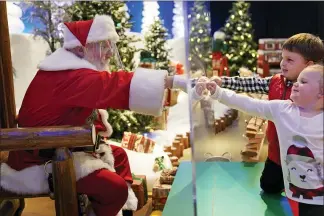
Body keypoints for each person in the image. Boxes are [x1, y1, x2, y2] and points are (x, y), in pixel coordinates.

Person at [0, 15, 187, 216]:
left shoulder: (69, 71)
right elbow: (114, 84)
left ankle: (112, 210)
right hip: (41, 160)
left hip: (60, 147)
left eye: (109, 46)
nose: (108, 52)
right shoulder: (71, 75)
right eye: (102, 46)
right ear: (80, 49)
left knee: (120, 156)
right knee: (114, 188)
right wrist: (170, 81)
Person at [210, 33, 324, 194]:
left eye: (290, 60)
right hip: (276, 154)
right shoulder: (276, 82)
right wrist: (222, 82)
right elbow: (250, 85)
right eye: (283, 58)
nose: (283, 64)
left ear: (308, 65)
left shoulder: (316, 92)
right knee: (268, 186)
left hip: (306, 161)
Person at [203, 64, 324, 216]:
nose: (295, 84)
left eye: (304, 82)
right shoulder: (282, 110)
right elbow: (250, 105)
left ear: (321, 92)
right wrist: (219, 93)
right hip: (295, 192)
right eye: (297, 80)